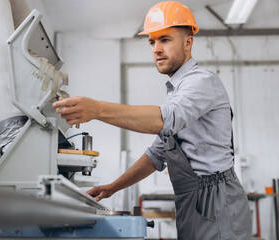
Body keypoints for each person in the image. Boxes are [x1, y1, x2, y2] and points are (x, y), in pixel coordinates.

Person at [53, 1, 252, 239]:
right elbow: (156, 155)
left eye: (165, 39)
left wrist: (97, 109)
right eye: (152, 41)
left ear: (188, 42)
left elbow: (166, 119)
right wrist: (112, 187)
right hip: (191, 201)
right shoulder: (178, 92)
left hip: (217, 200)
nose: (156, 49)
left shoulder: (201, 82)